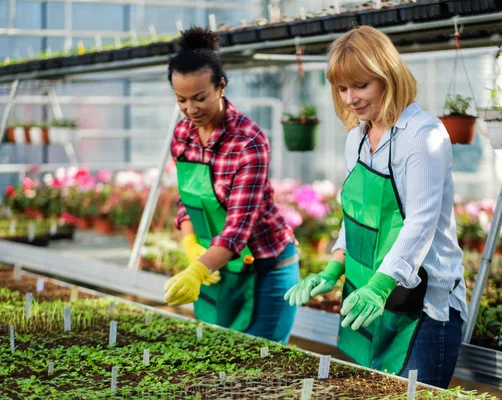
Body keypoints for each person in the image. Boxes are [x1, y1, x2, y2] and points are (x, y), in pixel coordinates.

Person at [284, 26, 468, 388]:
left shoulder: (423, 135)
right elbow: (355, 216)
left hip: (424, 308)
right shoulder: (357, 137)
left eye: (360, 85)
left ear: (388, 76)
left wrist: (380, 286)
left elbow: (420, 223)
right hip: (371, 299)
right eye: (341, 88)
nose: (350, 98)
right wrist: (332, 270)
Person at [163, 27, 299, 344]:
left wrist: (197, 270)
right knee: (218, 357)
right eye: (181, 100)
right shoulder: (184, 134)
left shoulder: (247, 141)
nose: (190, 109)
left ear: (221, 86)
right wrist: (189, 244)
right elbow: (188, 199)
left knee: (260, 364)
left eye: (200, 98)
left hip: (265, 266)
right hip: (219, 266)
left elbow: (239, 226)